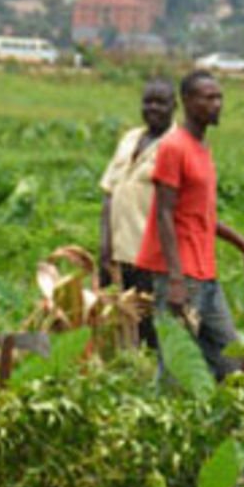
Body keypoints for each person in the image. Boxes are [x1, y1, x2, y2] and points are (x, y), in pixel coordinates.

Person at [134, 70, 244, 379]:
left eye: (219, 98)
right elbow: (164, 213)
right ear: (188, 102)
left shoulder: (202, 149)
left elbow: (200, 215)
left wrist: (242, 243)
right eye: (208, 98)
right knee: (176, 367)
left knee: (230, 363)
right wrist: (176, 280)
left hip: (205, 274)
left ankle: (228, 422)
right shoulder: (174, 147)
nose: (216, 104)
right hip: (181, 276)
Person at [98, 77, 176, 349]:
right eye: (147, 101)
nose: (153, 108)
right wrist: (105, 243)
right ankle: (132, 374)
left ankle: (156, 381)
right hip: (121, 251)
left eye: (160, 102)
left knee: (153, 326)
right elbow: (109, 193)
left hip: (154, 256)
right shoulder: (129, 139)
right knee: (124, 321)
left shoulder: (178, 147)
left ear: (174, 107)